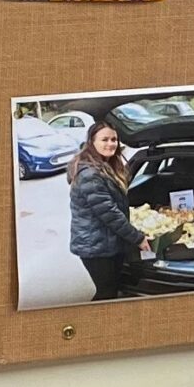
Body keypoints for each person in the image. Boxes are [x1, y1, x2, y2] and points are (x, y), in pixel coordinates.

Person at [67, 121, 150, 301]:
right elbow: (110, 214)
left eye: (114, 139)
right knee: (106, 293)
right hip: (95, 247)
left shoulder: (107, 166)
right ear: (91, 142)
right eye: (104, 139)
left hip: (107, 243)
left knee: (113, 289)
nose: (111, 143)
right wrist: (138, 237)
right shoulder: (90, 174)